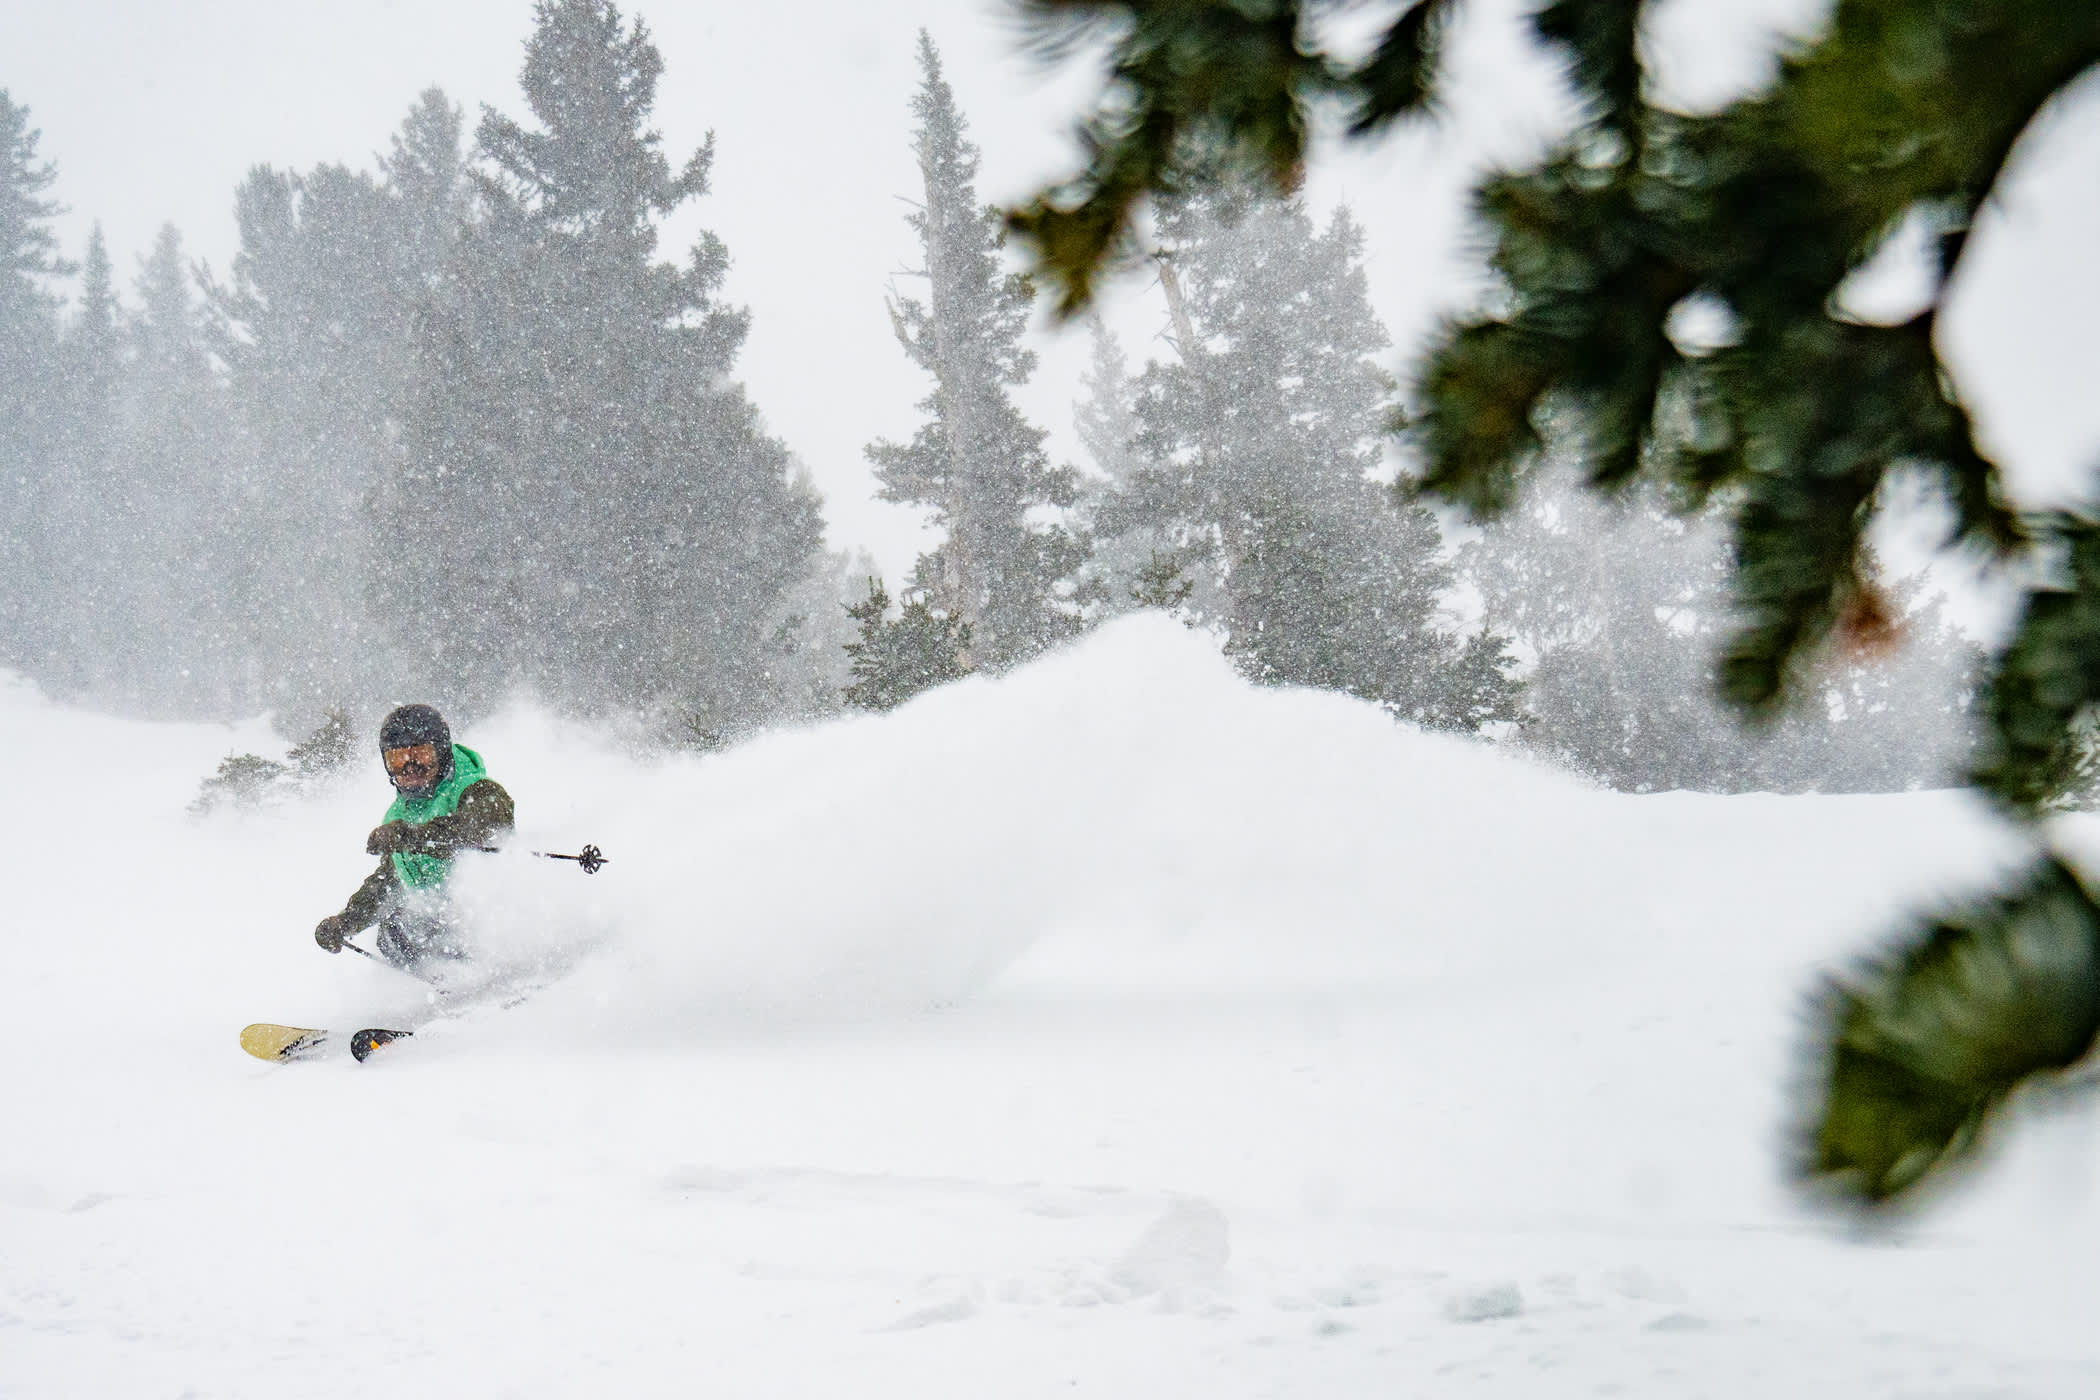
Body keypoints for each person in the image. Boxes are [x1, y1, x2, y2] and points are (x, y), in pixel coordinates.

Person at [313, 704, 515, 971]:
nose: (410, 768)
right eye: (397, 761)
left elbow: (486, 823)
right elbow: (387, 881)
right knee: (394, 930)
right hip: (442, 923)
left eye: (420, 756)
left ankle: (489, 969)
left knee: (429, 924)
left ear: (441, 754)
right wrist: (345, 922)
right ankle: (443, 986)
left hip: (491, 915)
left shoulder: (474, 788)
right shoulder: (399, 813)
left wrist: (412, 836)